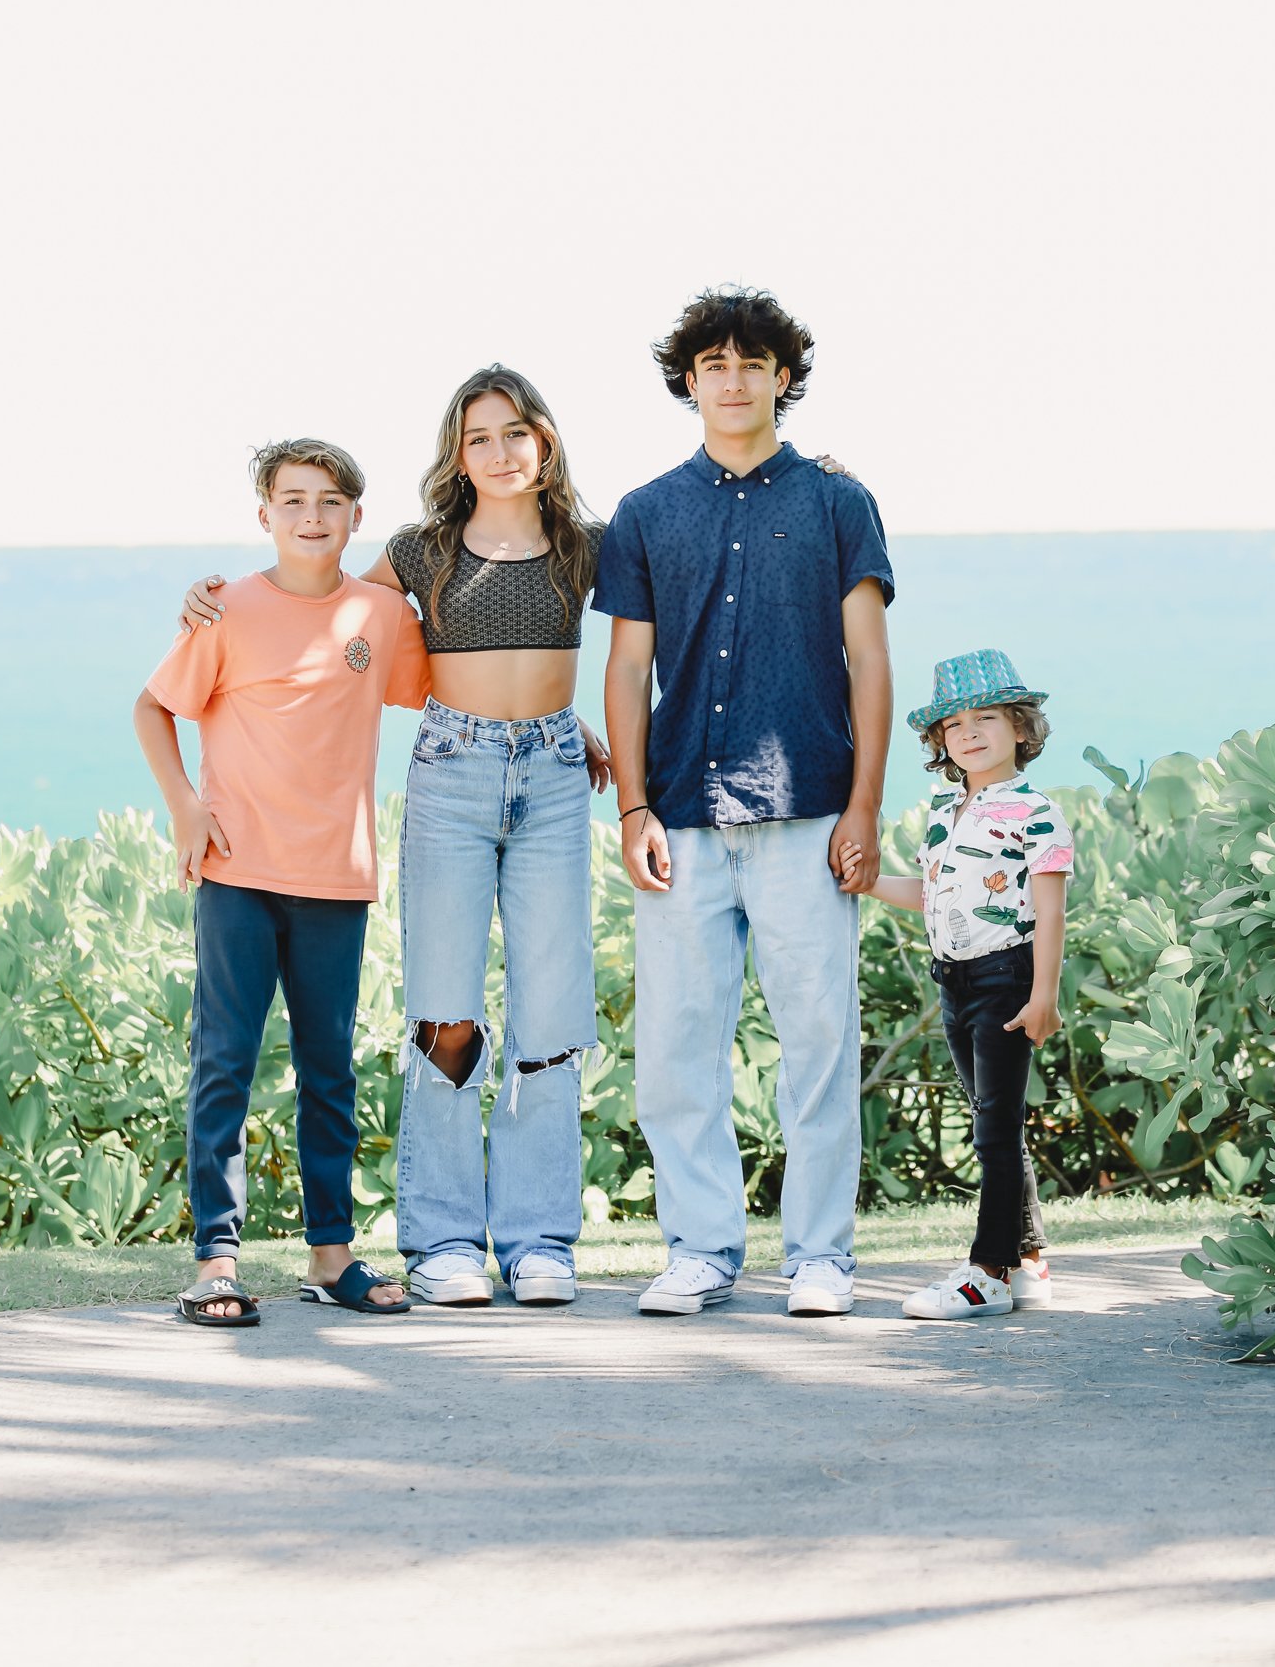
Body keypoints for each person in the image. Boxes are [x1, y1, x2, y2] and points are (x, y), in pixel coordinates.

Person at [179, 368, 611, 1310]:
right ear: (456, 452)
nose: (496, 453)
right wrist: (212, 603)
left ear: (544, 442)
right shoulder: (418, 551)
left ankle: (539, 1240)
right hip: (452, 770)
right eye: (476, 437)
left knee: (549, 1014)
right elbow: (323, 608)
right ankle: (446, 1241)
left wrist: (556, 722)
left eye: (513, 433)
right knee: (446, 1016)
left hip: (548, 773)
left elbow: (677, 592)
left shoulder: (585, 546)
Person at [597, 286, 895, 1319]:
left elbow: (867, 659)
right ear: (689, 381)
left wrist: (863, 807)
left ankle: (820, 1257)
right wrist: (631, 808)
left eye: (751, 362)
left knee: (817, 1041)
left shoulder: (834, 502)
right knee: (677, 1048)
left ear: (782, 377)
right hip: (679, 814)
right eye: (712, 364)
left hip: (810, 808)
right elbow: (626, 669)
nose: (732, 379)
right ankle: (700, 1251)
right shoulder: (642, 513)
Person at [135, 439, 427, 1326]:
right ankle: (215, 1263)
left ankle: (328, 1255)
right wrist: (187, 807)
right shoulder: (225, 609)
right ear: (265, 515)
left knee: (328, 1071)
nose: (311, 516)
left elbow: (453, 691)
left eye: (329, 501)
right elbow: (153, 707)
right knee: (224, 1062)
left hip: (336, 877)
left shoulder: (380, 616)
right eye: (292, 501)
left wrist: (566, 723)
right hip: (236, 875)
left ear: (355, 519)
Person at [860, 649, 1072, 1319]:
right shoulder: (945, 806)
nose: (970, 732)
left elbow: (1049, 910)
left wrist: (1043, 996)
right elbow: (928, 893)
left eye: (987, 717)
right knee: (993, 1121)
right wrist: (865, 881)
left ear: (1020, 728)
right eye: (954, 724)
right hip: (952, 979)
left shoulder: (1032, 809)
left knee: (994, 1129)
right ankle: (1031, 1260)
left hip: (1006, 975)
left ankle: (988, 1270)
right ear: (939, 741)